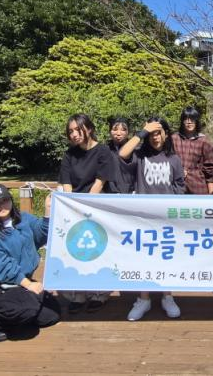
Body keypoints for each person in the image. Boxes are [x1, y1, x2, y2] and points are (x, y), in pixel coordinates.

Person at [0, 184, 60, 342]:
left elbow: (42, 234)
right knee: (27, 309)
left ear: (11, 200)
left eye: (5, 200)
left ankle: (22, 310)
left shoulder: (24, 219)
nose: (1, 206)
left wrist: (48, 210)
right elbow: (4, 266)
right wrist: (29, 285)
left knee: (52, 315)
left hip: (22, 282)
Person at [120, 116, 185, 321]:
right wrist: (143, 132)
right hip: (143, 218)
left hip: (166, 219)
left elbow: (180, 185)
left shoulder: (174, 159)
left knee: (165, 257)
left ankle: (167, 296)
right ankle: (143, 299)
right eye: (152, 134)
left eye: (159, 133)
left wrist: (172, 207)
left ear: (166, 134)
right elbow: (122, 154)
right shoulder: (140, 156)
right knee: (144, 258)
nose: (155, 137)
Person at [58, 113, 115, 313]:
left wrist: (85, 208)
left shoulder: (103, 151)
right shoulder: (69, 154)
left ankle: (99, 294)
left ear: (89, 129)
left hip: (96, 206)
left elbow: (100, 182)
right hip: (74, 208)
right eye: (70, 131)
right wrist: (71, 207)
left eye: (78, 130)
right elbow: (66, 183)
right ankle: (77, 295)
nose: (74, 134)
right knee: (75, 252)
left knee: (98, 251)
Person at [171, 107, 213, 194]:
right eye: (186, 119)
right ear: (182, 121)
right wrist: (177, 171)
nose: (189, 122)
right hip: (177, 188)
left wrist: (211, 193)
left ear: (197, 121)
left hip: (198, 188)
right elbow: (166, 162)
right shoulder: (174, 139)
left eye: (192, 119)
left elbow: (210, 170)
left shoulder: (204, 141)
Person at [105, 117, 137, 194]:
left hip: (132, 194)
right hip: (110, 194)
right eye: (115, 130)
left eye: (123, 130)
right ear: (110, 131)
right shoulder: (104, 150)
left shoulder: (136, 150)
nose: (118, 133)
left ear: (128, 132)